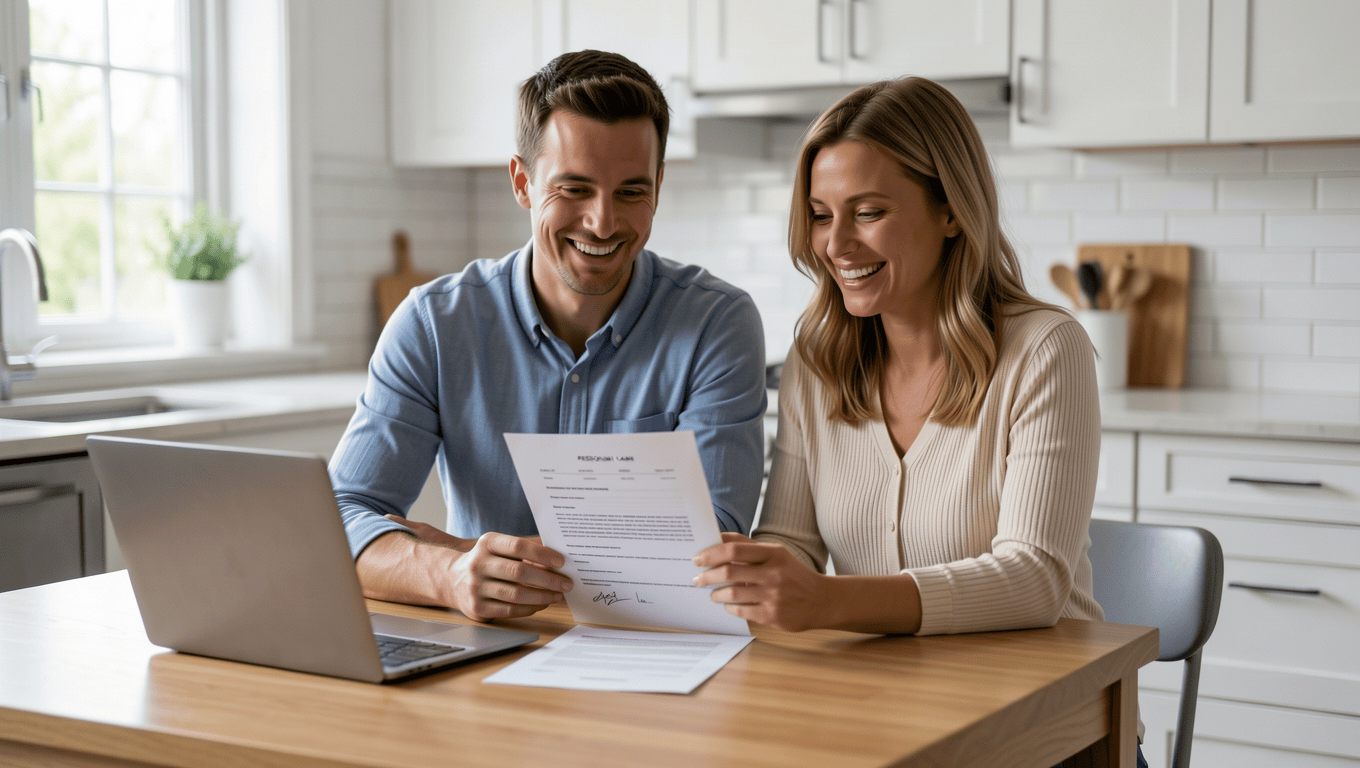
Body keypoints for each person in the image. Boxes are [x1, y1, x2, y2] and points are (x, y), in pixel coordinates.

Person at [332, 50, 766, 623]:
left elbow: (711, 555)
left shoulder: (718, 323)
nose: (604, 222)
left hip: (655, 652)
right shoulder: (434, 324)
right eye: (575, 189)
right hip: (480, 656)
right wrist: (448, 574)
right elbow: (340, 517)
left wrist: (462, 545)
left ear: (659, 186)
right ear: (522, 183)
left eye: (632, 191)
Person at [694, 77, 1103, 636]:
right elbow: (793, 543)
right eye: (820, 215)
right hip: (887, 696)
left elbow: (1034, 580)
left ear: (952, 212)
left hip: (1048, 702)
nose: (836, 245)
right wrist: (751, 569)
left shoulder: (1044, 351)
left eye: (867, 213)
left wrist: (828, 601)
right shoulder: (815, 363)